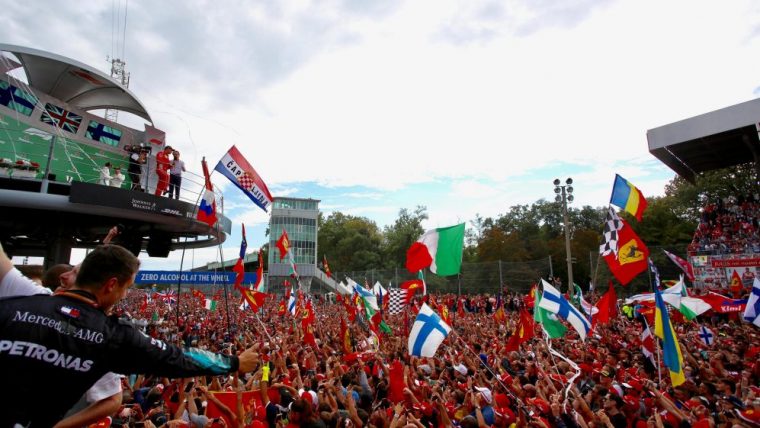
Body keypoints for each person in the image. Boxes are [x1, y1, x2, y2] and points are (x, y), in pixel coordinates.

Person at [0, 244, 261, 426]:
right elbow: (178, 358)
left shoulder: (19, 298)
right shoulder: (112, 336)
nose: (125, 296)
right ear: (112, 284)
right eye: (127, 288)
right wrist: (234, 363)